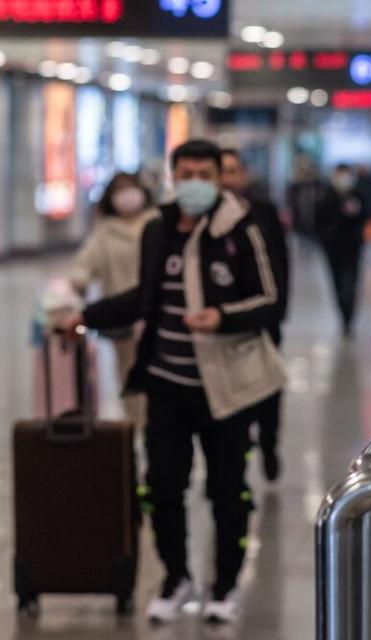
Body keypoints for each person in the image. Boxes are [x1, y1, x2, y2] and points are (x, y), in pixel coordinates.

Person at [62, 139, 286, 625]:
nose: (194, 183)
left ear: (218, 177)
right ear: (172, 175)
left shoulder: (240, 229)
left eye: (204, 174)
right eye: (185, 173)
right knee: (162, 486)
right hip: (166, 384)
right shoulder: (158, 230)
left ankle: (224, 584)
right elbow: (145, 296)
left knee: (227, 490)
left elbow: (272, 300)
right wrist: (85, 315)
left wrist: (222, 316)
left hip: (226, 390)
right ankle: (175, 575)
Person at [221, 148, 289, 482]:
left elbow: (280, 263)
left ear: (243, 175)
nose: (227, 179)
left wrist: (278, 311)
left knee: (269, 387)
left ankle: (269, 440)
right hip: (225, 325)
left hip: (264, 320)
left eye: (233, 171)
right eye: (221, 172)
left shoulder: (262, 212)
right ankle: (237, 450)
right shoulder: (207, 220)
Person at [70, 172, 156, 427]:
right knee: (130, 378)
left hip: (156, 317)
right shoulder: (105, 232)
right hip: (122, 319)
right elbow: (83, 265)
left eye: (131, 187)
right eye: (120, 189)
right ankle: (137, 428)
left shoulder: (158, 224)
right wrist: (78, 282)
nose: (127, 194)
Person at [316, 164, 367, 336]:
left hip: (352, 246)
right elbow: (318, 221)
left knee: (350, 282)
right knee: (337, 282)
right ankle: (343, 313)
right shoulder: (327, 196)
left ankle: (349, 316)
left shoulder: (357, 195)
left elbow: (366, 215)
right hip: (333, 248)